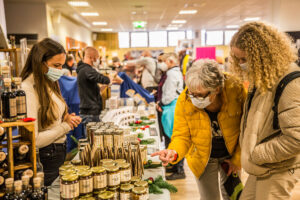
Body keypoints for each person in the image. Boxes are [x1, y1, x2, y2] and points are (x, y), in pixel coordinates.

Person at [152, 59, 246, 200]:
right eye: (191, 93)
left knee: (234, 196)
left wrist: (238, 159)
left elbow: (246, 128)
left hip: (231, 153)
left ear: (217, 89)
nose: (194, 98)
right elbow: (181, 135)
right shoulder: (185, 100)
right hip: (202, 158)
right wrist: (174, 151)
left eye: (200, 95)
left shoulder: (235, 89)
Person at [230, 22, 300, 200]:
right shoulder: (263, 77)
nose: (241, 64)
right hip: (263, 167)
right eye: (237, 59)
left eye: (244, 59)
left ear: (261, 55)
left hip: (278, 167)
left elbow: (296, 138)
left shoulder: (290, 82)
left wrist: (257, 154)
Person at [21, 38, 82, 186]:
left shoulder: (47, 82)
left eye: (61, 66)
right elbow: (34, 140)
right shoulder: (28, 89)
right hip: (46, 157)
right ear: (40, 62)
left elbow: (50, 118)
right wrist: (65, 126)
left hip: (57, 151)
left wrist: (65, 117)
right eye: (56, 65)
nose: (59, 71)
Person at [77, 47, 122, 124]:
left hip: (91, 111)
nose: (98, 60)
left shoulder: (85, 70)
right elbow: (102, 79)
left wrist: (103, 87)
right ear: (91, 57)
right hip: (89, 113)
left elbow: (91, 88)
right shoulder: (86, 70)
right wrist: (111, 76)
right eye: (97, 58)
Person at [158, 53, 185, 180]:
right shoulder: (175, 72)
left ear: (170, 61)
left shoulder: (171, 74)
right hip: (173, 107)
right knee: (172, 138)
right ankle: (174, 165)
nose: (162, 64)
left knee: (174, 138)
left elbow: (168, 95)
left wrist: (160, 103)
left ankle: (179, 169)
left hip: (171, 108)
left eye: (163, 61)